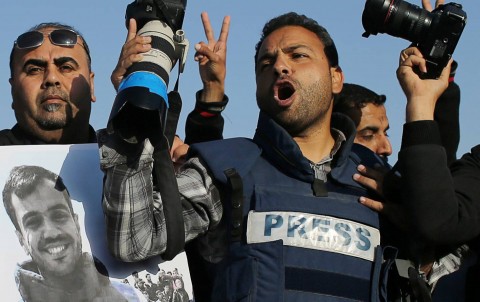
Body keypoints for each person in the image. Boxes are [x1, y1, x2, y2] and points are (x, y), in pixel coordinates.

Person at [100, 11, 407, 301]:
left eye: (298, 55)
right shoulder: (227, 171)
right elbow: (134, 240)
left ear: (336, 77)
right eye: (266, 63)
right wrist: (136, 103)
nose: (280, 67)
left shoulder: (377, 182)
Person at [2, 165, 145, 301]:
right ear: (21, 240)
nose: (51, 233)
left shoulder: (132, 297)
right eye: (33, 222)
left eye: (58, 215)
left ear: (76, 223)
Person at [0, 23, 96, 145]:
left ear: (91, 86)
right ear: (13, 90)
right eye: (34, 70)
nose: (51, 78)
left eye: (66, 67)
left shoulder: (124, 154)